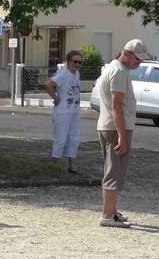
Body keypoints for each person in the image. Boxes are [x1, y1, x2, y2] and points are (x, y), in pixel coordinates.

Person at [95, 39, 151, 228]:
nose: (139, 62)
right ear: (126, 54)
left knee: (114, 170)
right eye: (137, 58)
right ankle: (107, 215)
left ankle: (112, 211)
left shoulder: (115, 68)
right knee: (113, 172)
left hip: (111, 126)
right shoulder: (119, 71)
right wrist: (121, 136)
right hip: (115, 128)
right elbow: (116, 105)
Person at [46, 50, 84, 173]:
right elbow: (49, 84)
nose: (77, 64)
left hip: (74, 111)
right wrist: (55, 97)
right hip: (62, 112)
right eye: (75, 62)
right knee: (61, 139)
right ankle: (53, 165)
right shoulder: (63, 75)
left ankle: (71, 166)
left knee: (73, 138)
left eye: (80, 62)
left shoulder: (77, 74)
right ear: (68, 62)